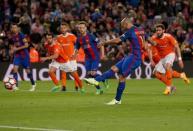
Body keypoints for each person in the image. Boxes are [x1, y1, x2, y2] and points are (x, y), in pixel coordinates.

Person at [83, 17, 145, 104]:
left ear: (126, 24)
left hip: (135, 57)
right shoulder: (141, 30)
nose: (122, 28)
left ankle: (117, 99)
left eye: (123, 26)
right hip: (132, 55)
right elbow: (144, 45)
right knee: (114, 68)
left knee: (121, 77)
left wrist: (104, 42)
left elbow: (117, 41)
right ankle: (97, 80)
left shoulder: (130, 31)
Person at [150, 24, 190, 95]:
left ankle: (168, 88)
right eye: (156, 30)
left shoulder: (168, 37)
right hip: (162, 58)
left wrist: (180, 59)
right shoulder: (154, 38)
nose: (158, 32)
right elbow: (152, 45)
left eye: (159, 30)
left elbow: (177, 47)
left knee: (167, 67)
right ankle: (181, 75)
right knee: (156, 73)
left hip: (170, 54)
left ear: (163, 31)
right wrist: (151, 60)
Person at [72, 21, 108, 95]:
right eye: (79, 28)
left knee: (93, 73)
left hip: (95, 57)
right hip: (87, 58)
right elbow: (76, 47)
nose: (81, 29)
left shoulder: (91, 36)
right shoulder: (79, 39)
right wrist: (74, 55)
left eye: (82, 27)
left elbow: (101, 44)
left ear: (85, 28)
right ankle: (100, 88)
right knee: (90, 75)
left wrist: (103, 55)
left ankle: (102, 81)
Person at [10, 23, 36, 91]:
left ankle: (33, 84)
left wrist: (17, 49)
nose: (14, 29)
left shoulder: (21, 35)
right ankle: (15, 86)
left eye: (15, 27)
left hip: (24, 55)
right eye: (13, 28)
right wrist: (12, 50)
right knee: (15, 69)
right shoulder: (12, 36)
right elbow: (15, 45)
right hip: (17, 55)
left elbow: (26, 45)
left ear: (17, 28)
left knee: (28, 71)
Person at [56, 22, 81, 91]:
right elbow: (57, 47)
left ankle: (76, 87)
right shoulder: (58, 37)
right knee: (63, 72)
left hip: (72, 58)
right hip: (63, 58)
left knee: (74, 72)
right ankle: (63, 87)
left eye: (64, 28)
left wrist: (75, 53)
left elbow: (78, 44)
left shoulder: (72, 36)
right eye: (61, 28)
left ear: (67, 28)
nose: (63, 29)